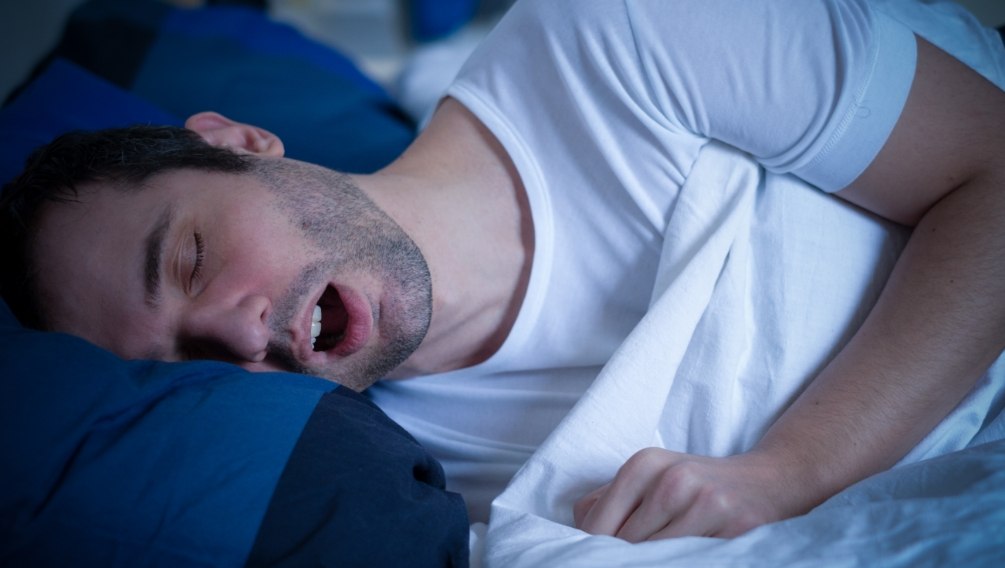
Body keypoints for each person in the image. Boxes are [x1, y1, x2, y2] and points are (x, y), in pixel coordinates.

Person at [2, 0, 1003, 538]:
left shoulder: (615, 36)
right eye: (185, 362)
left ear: (241, 143)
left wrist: (791, 473)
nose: (228, 329)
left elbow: (994, 168)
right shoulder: (422, 478)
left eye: (188, 260)